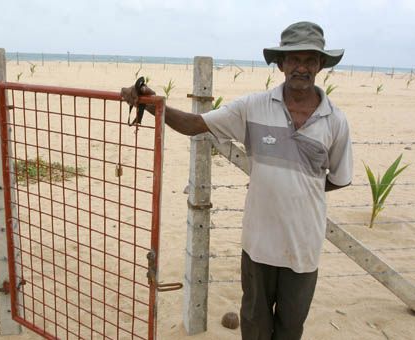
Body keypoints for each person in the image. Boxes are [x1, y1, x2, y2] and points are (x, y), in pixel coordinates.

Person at [121, 21, 353, 340]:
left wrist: (303, 186)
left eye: (310, 59)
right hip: (258, 245)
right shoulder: (253, 107)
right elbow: (194, 124)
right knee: (254, 324)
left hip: (304, 246)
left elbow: (339, 178)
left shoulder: (335, 120)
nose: (302, 67)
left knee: (291, 327)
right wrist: (152, 105)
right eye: (294, 59)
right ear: (281, 64)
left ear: (321, 65)